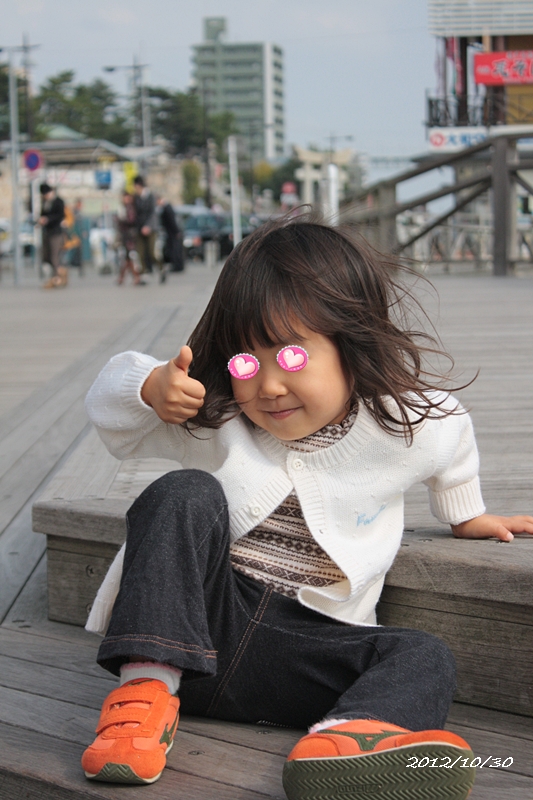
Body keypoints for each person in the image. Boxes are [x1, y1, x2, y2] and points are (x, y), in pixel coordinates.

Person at [82, 218, 533, 798]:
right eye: (246, 362)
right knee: (182, 492)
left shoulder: (399, 425)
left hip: (306, 652)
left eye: (292, 356)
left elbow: (451, 433)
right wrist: (149, 387)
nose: (268, 385)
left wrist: (464, 513)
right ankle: (142, 697)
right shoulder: (218, 420)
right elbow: (109, 403)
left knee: (424, 653)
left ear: (352, 343)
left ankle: (346, 744)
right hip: (196, 644)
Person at [38, 183, 66, 288]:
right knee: (46, 256)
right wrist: (42, 220)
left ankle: (56, 278)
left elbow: (60, 215)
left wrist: (48, 219)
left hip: (56, 232)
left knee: (55, 256)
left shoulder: (58, 202)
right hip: (47, 232)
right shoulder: (45, 202)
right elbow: (43, 214)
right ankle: (61, 272)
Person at [116, 192, 145, 286]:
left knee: (130, 256)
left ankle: (132, 277)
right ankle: (132, 277)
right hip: (125, 235)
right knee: (128, 257)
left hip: (130, 235)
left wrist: (122, 219)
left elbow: (131, 220)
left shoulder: (131, 208)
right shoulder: (124, 208)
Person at [132, 175, 158, 276]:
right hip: (139, 229)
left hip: (150, 228)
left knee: (151, 253)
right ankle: (143, 274)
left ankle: (161, 268)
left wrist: (148, 226)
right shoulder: (136, 197)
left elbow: (152, 213)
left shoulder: (150, 196)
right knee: (140, 253)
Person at [157, 195, 184, 279]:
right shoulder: (167, 208)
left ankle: (177, 266)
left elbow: (172, 221)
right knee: (174, 249)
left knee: (174, 250)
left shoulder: (167, 208)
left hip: (172, 233)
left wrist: (176, 231)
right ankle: (177, 265)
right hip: (171, 233)